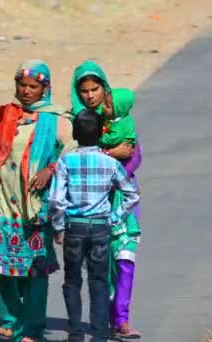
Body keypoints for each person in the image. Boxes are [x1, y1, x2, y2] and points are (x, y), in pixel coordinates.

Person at [0, 60, 76, 342]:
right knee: (2, 265)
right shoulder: (2, 115)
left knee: (34, 268)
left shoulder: (59, 119)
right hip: (1, 200)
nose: (26, 91)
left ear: (45, 88)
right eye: (22, 85)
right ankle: (9, 319)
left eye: (33, 86)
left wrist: (50, 170)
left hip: (35, 205)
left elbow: (72, 155)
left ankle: (33, 326)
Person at [48, 109, 140, 342]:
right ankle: (99, 334)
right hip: (101, 227)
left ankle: (76, 332)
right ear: (100, 133)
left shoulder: (65, 161)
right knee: (98, 281)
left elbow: (57, 199)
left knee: (72, 281)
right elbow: (132, 195)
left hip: (74, 227)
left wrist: (58, 227)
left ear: (75, 134)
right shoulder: (110, 163)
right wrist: (114, 218)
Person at [71, 61, 143, 338]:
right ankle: (105, 317)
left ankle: (122, 319)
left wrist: (117, 158)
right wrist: (111, 155)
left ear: (105, 88)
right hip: (90, 205)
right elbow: (72, 157)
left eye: (95, 88)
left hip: (122, 201)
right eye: (84, 90)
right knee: (101, 265)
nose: (90, 96)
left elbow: (134, 154)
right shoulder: (77, 122)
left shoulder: (119, 118)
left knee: (125, 261)